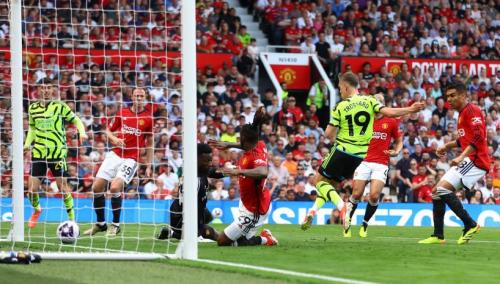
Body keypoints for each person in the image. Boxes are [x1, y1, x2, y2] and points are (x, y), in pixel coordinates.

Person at [301, 72, 424, 231]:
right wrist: (410, 109)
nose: (340, 91)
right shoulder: (370, 100)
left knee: (318, 182)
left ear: (345, 86)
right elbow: (389, 112)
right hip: (359, 157)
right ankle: (312, 211)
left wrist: (334, 134)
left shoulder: (341, 106)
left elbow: (328, 134)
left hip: (342, 150)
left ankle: (342, 207)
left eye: (339, 88)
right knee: (329, 185)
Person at [419, 81, 487, 245]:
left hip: (476, 160)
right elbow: (464, 139)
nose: (449, 99)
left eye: (453, 95)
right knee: (436, 191)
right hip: (469, 159)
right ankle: (438, 235)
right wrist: (447, 146)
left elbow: (479, 137)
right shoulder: (461, 113)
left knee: (441, 189)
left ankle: (470, 224)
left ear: (463, 95)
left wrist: (461, 156)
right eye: (447, 96)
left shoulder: (472, 110)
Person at [84, 88, 154, 237]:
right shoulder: (123, 112)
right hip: (115, 154)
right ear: (132, 96)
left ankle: (115, 225)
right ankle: (100, 224)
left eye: (142, 96)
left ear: (145, 98)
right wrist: (114, 139)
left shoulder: (148, 118)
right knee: (97, 187)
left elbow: (150, 143)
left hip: (131, 159)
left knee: (115, 187)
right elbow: (108, 131)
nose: (139, 98)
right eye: (136, 95)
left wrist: (148, 165)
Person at [210, 107, 278, 246]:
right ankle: (252, 236)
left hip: (254, 210)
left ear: (245, 140)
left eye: (240, 138)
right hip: (246, 202)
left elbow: (263, 172)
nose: (237, 139)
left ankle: (266, 239)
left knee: (223, 242)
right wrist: (229, 145)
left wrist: (238, 172)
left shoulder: (256, 155)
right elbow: (247, 142)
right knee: (237, 240)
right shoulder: (259, 143)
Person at [24, 80, 88, 228]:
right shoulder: (33, 108)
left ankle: (72, 219)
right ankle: (37, 210)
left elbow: (76, 120)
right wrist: (27, 144)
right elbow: (33, 129)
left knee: (62, 188)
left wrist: (82, 132)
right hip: (39, 153)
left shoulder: (60, 107)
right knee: (31, 190)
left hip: (57, 153)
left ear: (52, 90)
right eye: (42, 88)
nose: (45, 90)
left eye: (48, 88)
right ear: (38, 90)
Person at [343, 93, 403, 237]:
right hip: (363, 161)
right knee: (356, 194)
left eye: (381, 101)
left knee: (374, 196)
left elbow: (399, 139)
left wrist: (396, 151)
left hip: (381, 163)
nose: (378, 103)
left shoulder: (391, 121)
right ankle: (347, 223)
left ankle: (364, 224)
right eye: (376, 100)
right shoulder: (364, 118)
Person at [157, 144, 223, 241]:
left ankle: (173, 233)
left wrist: (236, 171)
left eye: (210, 160)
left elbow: (214, 172)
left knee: (208, 216)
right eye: (207, 161)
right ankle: (179, 233)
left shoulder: (196, 169)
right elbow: (191, 209)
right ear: (197, 158)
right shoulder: (195, 181)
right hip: (182, 217)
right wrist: (201, 231)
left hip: (179, 209)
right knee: (216, 236)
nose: (209, 163)